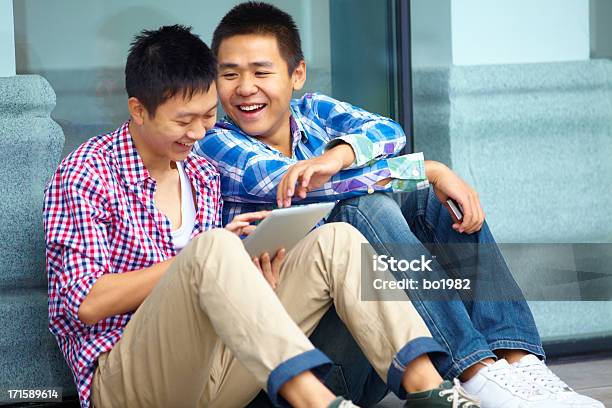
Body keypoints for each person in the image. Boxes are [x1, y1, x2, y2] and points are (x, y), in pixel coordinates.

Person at [43, 24, 481, 408]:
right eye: (184, 121)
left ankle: (430, 391)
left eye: (209, 116)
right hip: (129, 382)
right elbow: (87, 303)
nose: (200, 133)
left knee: (338, 242)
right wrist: (197, 263)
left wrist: (251, 279)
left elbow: (213, 288)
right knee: (213, 247)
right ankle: (317, 401)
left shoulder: (200, 170)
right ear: (138, 110)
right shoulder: (87, 173)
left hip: (218, 372)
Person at [194, 3, 604, 408]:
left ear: (296, 74)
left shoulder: (315, 110)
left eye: (261, 72)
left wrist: (339, 154)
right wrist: (428, 168)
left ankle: (519, 363)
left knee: (433, 205)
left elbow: (389, 130)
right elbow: (300, 185)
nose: (245, 88)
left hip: (380, 352)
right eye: (229, 74)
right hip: (310, 367)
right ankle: (473, 370)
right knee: (363, 208)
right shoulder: (216, 141)